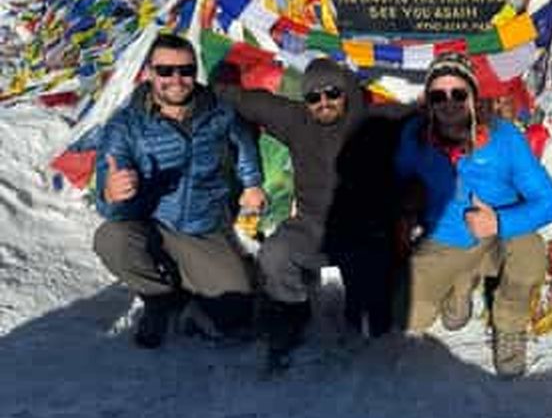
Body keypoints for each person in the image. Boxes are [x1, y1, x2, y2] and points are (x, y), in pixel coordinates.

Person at [395, 52, 552, 378]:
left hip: (501, 235)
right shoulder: (415, 136)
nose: (448, 103)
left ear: (473, 97)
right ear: (428, 100)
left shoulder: (505, 138)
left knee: (530, 256)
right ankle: (460, 285)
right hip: (445, 240)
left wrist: (499, 222)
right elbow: (398, 181)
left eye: (458, 93)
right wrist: (404, 213)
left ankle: (509, 327)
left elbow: (550, 202)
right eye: (438, 95)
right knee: (407, 315)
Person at [93, 33, 266, 348]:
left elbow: (244, 148)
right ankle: (159, 301)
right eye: (165, 71)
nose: (177, 79)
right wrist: (110, 194)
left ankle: (190, 282)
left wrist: (252, 183)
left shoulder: (219, 113)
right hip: (151, 224)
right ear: (148, 73)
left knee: (236, 315)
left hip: (203, 227)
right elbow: (105, 201)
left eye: (186, 70)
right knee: (110, 238)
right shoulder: (125, 125)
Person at [218, 57, 374, 367]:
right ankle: (292, 311)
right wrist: (211, 88)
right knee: (275, 255)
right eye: (314, 97)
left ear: (345, 93)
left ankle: (365, 308)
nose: (324, 102)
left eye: (332, 93)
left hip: (361, 231)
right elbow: (253, 103)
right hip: (311, 226)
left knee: (375, 316)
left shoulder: (373, 124)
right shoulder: (296, 120)